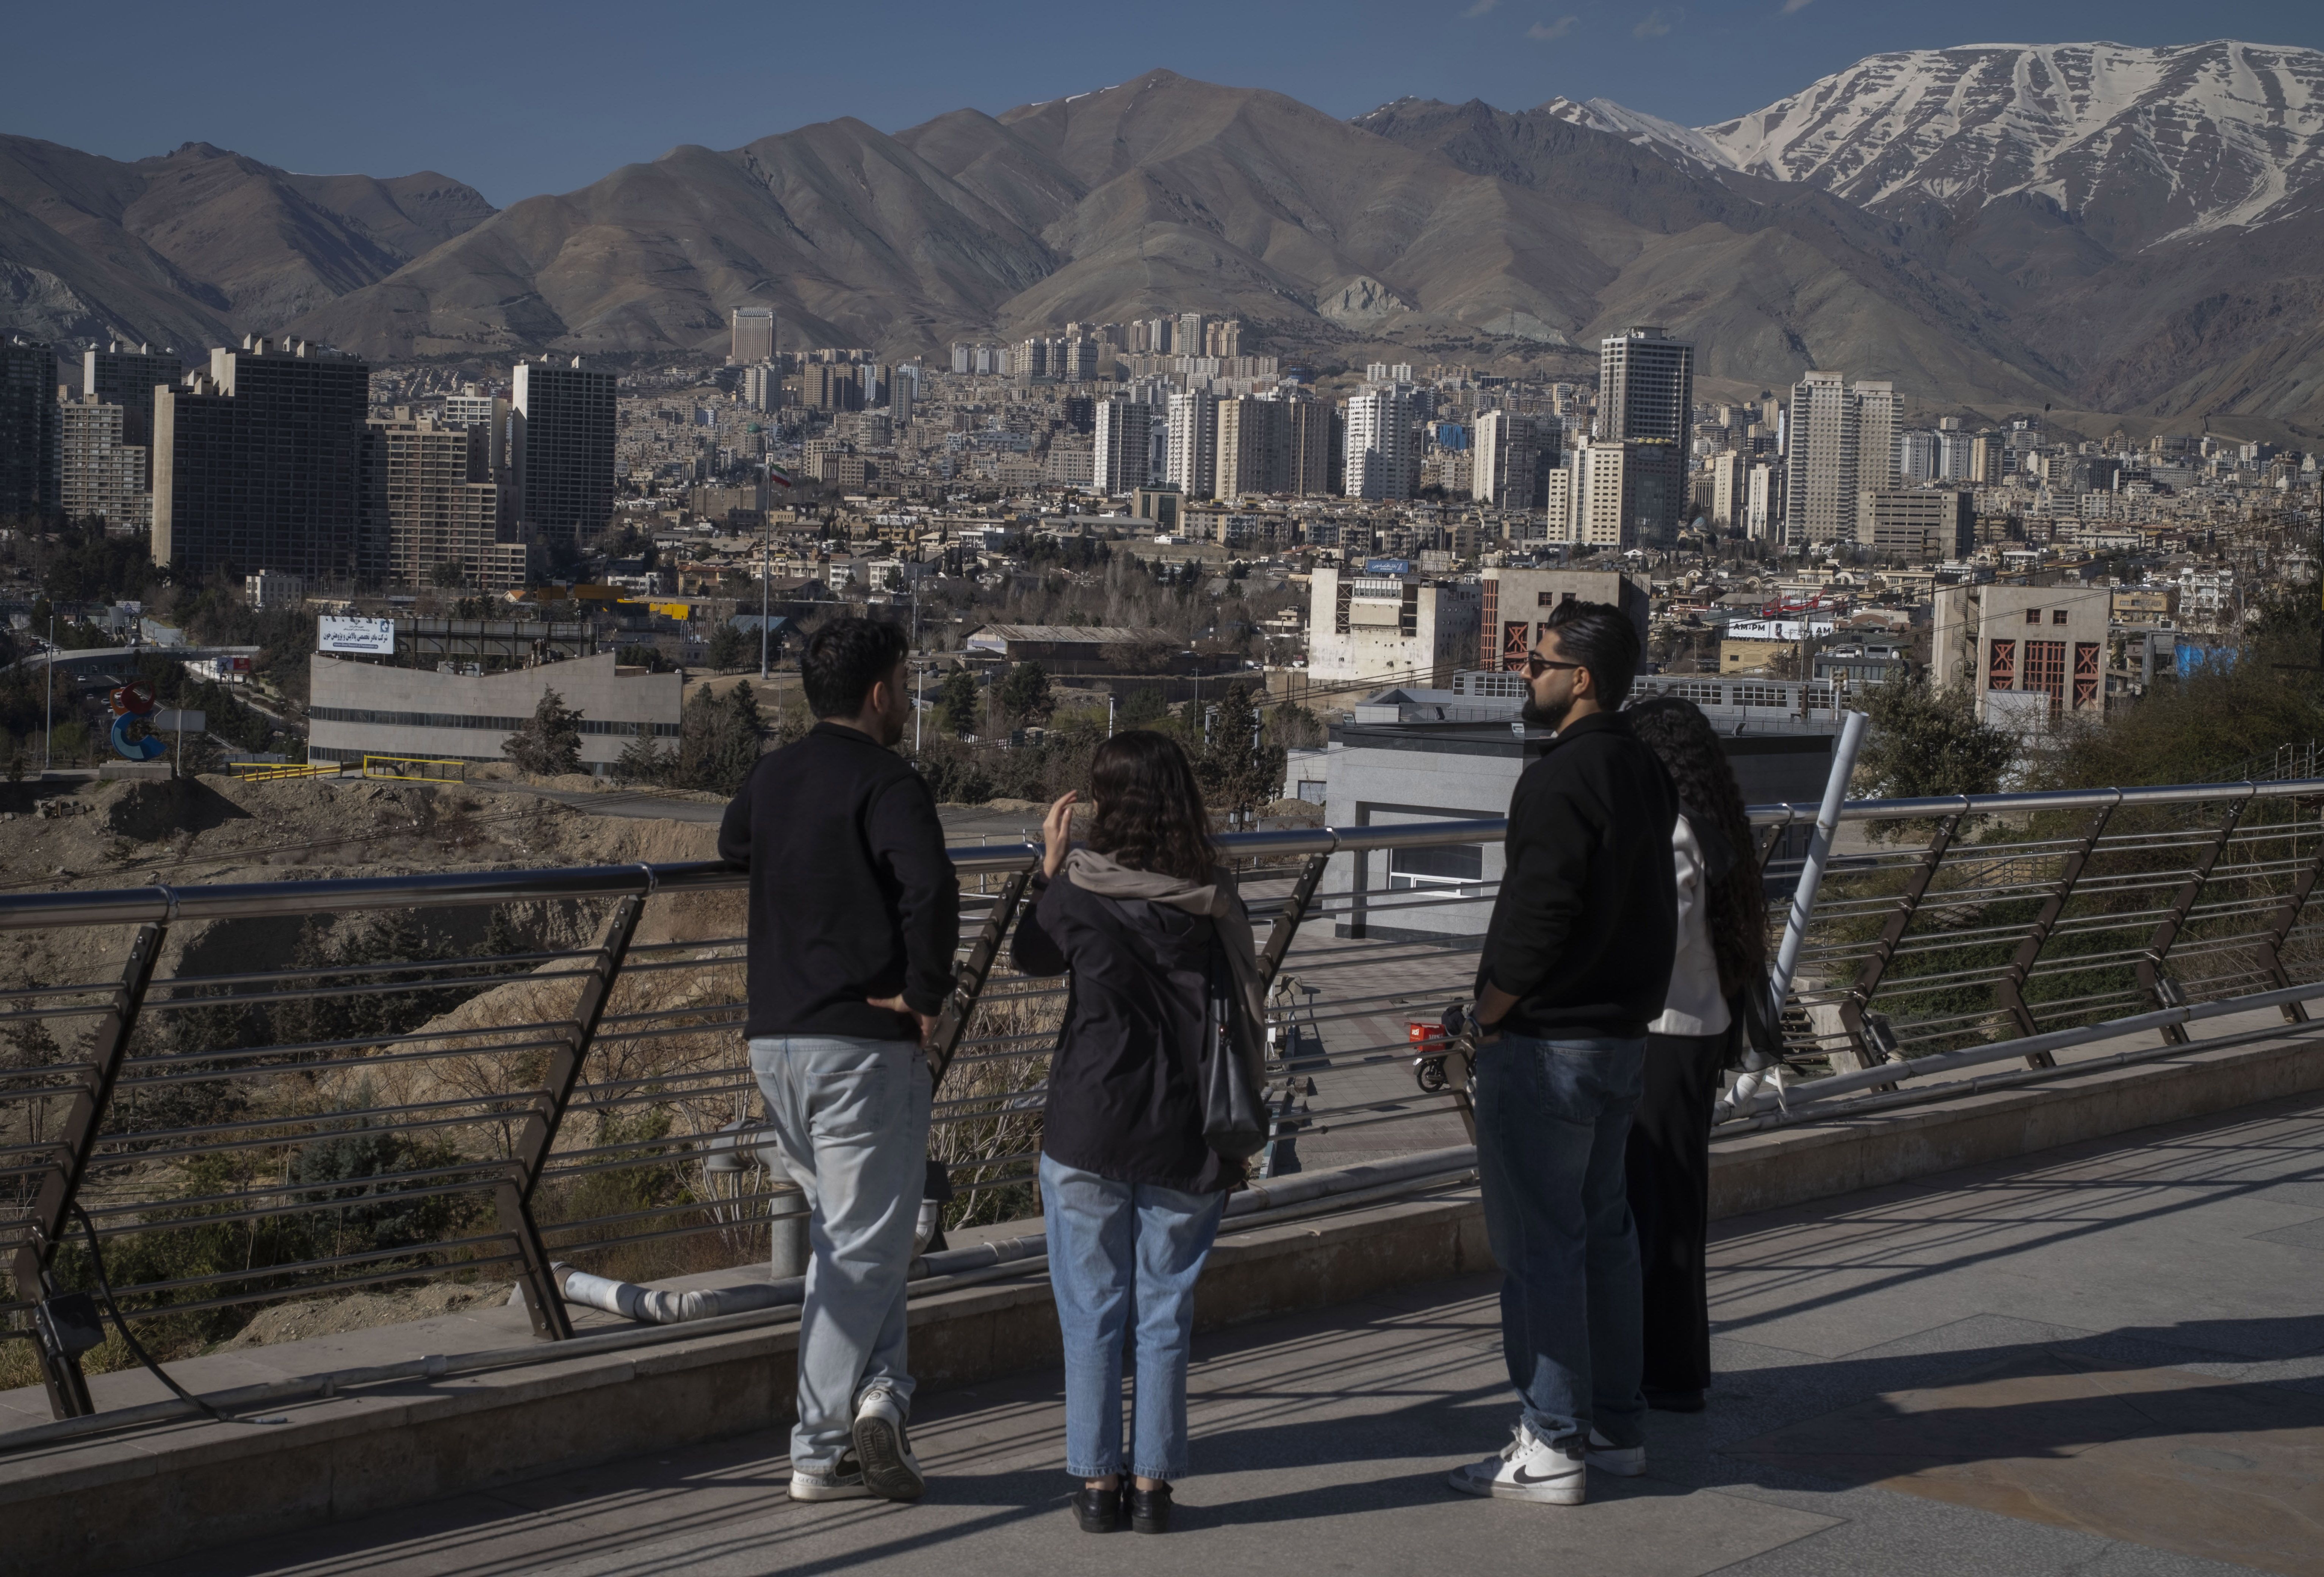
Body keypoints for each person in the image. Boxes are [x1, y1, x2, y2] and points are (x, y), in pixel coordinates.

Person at [719, 618, 959, 1503]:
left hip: (777, 1041)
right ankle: (819, 1448)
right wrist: (927, 995)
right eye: (905, 679)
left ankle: (881, 1405)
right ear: (878, 693)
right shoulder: (891, 783)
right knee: (865, 1244)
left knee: (860, 1237)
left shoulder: (775, 775)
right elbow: (931, 884)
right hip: (863, 1044)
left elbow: (731, 843)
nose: (908, 694)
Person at [1448, 599, 1677, 1507]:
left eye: (1538, 662)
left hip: (1548, 1041)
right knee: (1607, 1235)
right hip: (1623, 1037)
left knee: (1541, 1246)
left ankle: (1549, 1442)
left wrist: (1491, 1010)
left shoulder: (1557, 780)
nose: (1525, 673)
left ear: (1580, 679)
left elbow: (1538, 914)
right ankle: (1617, 1427)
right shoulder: (1646, 771)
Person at [1010, 730, 1261, 1536]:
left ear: (1102, 803)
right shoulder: (1212, 896)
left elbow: (1031, 958)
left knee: (1092, 1311)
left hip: (1089, 1123)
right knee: (1164, 1312)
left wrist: (1048, 865)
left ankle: (1095, 1485)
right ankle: (1153, 1486)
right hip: (1187, 1128)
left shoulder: (1077, 892)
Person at [1621, 698, 1768, 1414]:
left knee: (1659, 1208)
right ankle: (1673, 1369)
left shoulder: (1674, 831)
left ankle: (1668, 1372)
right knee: (1675, 1204)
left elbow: (1659, 941)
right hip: (1699, 1032)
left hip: (1665, 1036)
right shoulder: (1716, 825)